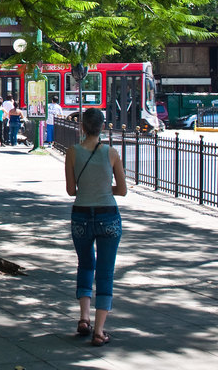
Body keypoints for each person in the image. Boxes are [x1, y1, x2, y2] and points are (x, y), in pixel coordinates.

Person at [64, 107, 127, 347]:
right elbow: (122, 190)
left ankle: (83, 318)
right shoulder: (111, 153)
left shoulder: (72, 152)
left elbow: (71, 190)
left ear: (82, 127)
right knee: (105, 271)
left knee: (85, 264)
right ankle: (99, 331)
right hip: (108, 216)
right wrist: (103, 189)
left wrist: (88, 189)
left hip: (81, 216)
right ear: (102, 127)